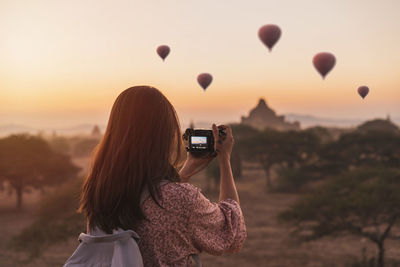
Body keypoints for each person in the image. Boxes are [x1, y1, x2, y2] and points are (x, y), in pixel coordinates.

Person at [78, 86, 246, 266]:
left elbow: (149, 199)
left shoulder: (100, 193)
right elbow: (232, 233)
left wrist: (186, 172)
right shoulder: (183, 199)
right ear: (164, 135)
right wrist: (225, 159)